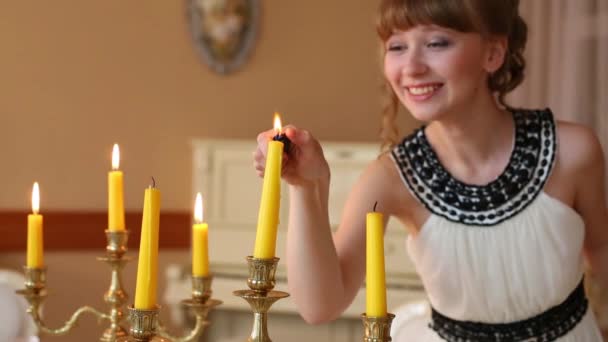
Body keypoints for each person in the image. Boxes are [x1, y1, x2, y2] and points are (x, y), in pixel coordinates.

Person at [253, 0, 607, 340]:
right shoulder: (389, 179)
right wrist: (306, 187)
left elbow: (602, 253)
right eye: (396, 47)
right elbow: (320, 306)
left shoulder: (573, 152)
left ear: (493, 53)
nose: (411, 67)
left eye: (436, 43)